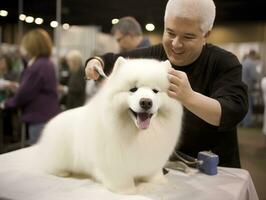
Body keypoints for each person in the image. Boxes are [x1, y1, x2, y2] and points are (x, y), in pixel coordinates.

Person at [84, 0, 248, 168]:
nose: (176, 44)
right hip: (166, 164)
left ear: (206, 34)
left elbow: (233, 110)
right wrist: (96, 61)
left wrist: (188, 97)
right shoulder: (154, 55)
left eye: (188, 37)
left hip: (214, 169)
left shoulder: (223, 62)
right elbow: (111, 60)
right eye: (170, 33)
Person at [0, 28, 60, 145]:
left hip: (39, 119)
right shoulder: (46, 63)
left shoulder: (37, 66)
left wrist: (5, 104)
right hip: (48, 116)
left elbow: (24, 94)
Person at [241, 50, 259, 127]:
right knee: (248, 105)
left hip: (240, 86)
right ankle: (247, 123)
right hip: (247, 87)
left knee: (241, 104)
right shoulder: (251, 63)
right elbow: (254, 76)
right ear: (253, 55)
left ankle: (241, 121)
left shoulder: (243, 62)